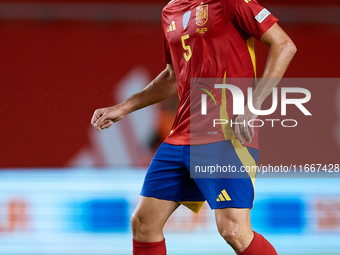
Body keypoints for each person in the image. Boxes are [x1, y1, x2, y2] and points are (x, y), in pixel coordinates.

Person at [91, 0, 296, 254]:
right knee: (143, 223)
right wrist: (123, 108)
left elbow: (284, 45)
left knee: (233, 230)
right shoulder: (170, 11)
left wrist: (253, 104)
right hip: (182, 135)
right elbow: (171, 76)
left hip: (224, 133)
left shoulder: (229, 3)